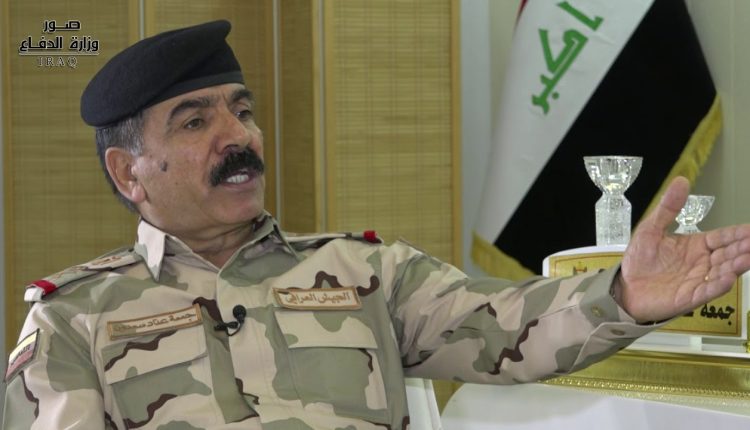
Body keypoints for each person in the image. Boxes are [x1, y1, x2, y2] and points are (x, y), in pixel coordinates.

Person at [3, 20, 750, 430]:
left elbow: (504, 328)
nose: (238, 137)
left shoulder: (364, 273)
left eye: (243, 110)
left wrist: (621, 295)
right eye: (196, 122)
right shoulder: (75, 317)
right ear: (129, 172)